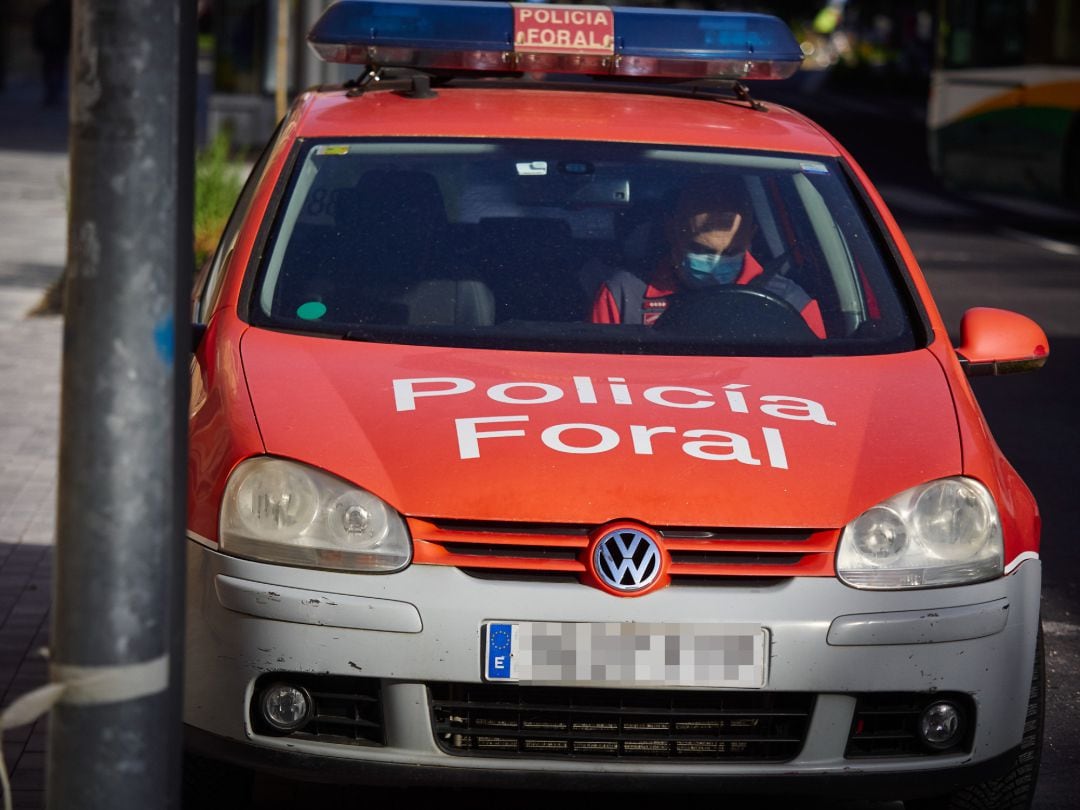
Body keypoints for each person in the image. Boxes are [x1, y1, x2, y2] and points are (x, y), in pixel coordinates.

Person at [591, 177, 826, 338]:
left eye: (731, 252)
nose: (715, 264)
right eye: (701, 250)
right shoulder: (623, 295)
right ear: (672, 230)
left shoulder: (790, 303)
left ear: (750, 237)